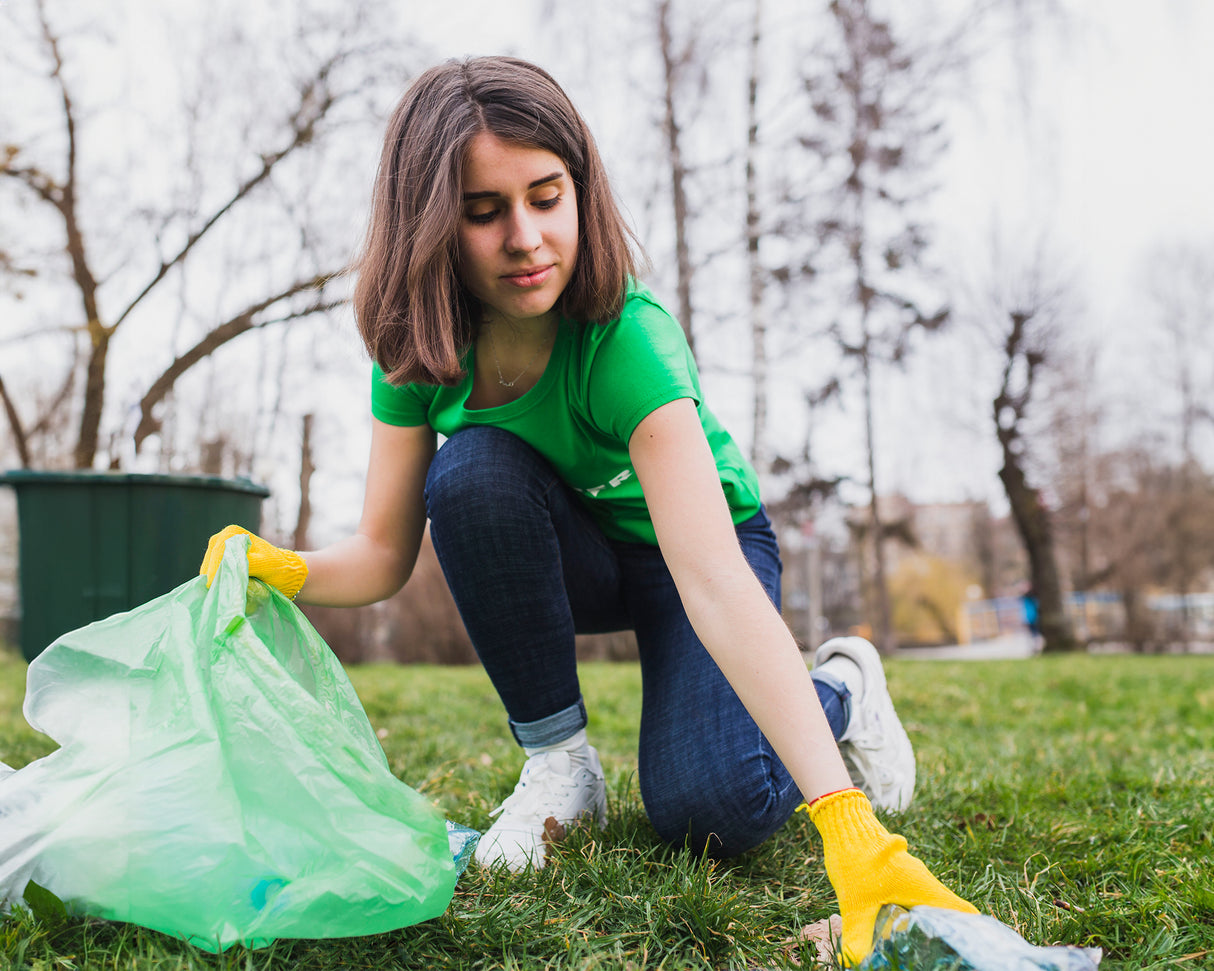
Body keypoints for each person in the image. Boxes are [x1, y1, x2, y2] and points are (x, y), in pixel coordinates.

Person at [200, 55, 976, 965]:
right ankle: (561, 765)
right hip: (569, 556)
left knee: (712, 808)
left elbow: (715, 582)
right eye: (484, 212)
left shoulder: (627, 342)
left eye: (545, 196)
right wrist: (279, 567)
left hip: (697, 557)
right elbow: (381, 553)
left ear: (581, 190)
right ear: (430, 227)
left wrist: (851, 832)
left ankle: (842, 689)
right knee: (471, 470)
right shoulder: (421, 352)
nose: (525, 237)